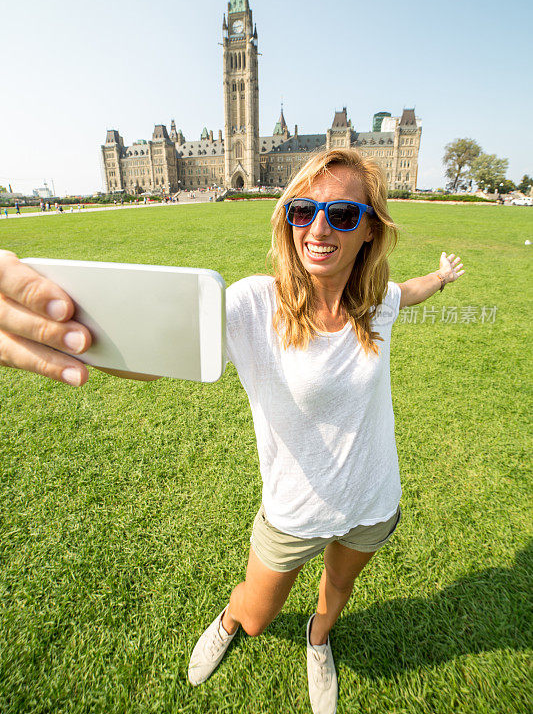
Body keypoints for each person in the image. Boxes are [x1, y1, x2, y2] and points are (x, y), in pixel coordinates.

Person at [0, 148, 464, 714]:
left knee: (337, 591)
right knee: (256, 615)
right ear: (286, 217)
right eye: (302, 210)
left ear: (369, 229)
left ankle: (319, 642)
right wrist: (64, 330)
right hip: (294, 511)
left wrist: (441, 277)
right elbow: (163, 355)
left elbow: (408, 290)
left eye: (342, 214)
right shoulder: (254, 304)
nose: (318, 228)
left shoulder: (375, 304)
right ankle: (228, 622)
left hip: (372, 498)